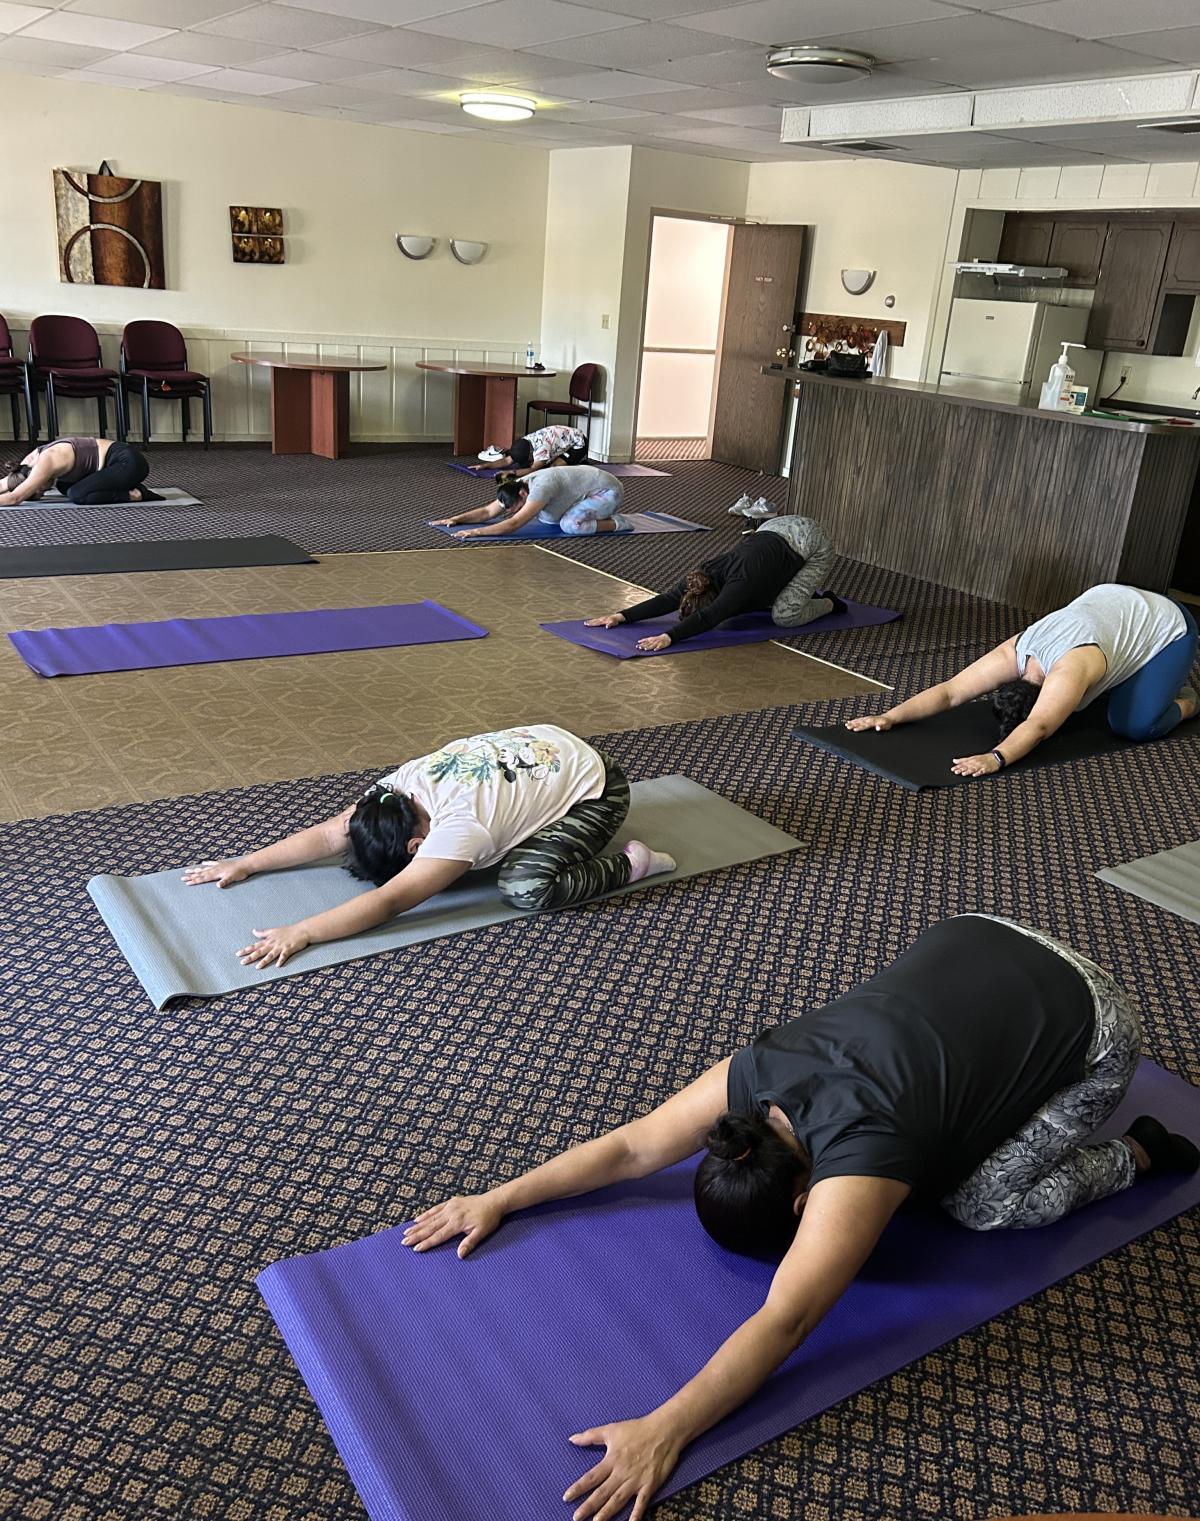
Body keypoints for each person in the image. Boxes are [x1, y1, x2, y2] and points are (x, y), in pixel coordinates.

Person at [403, 914, 1197, 1521]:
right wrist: (499, 1196)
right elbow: (630, 1149)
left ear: (802, 1201)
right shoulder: (750, 1083)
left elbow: (786, 1317)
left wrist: (666, 1427)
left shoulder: (863, 1157)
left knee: (981, 1204)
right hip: (980, 933)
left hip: (1095, 1021)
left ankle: (1140, 1154)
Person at [182, 724, 674, 969]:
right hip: (550, 744)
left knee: (524, 887)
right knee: (487, 859)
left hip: (600, 787)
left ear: (418, 845)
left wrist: (302, 932)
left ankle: (633, 865)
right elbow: (334, 832)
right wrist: (247, 863)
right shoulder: (394, 791)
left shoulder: (459, 830)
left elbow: (391, 899)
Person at [845, 583, 1199, 778]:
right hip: (1112, 604)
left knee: (1133, 725)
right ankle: (1134, 676)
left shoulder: (1068, 670)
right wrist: (891, 716)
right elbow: (951, 692)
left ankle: (1187, 700)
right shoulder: (1017, 652)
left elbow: (1040, 725)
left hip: (1167, 625)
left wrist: (995, 758)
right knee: (1104, 691)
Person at [585, 517, 840, 652]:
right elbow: (669, 598)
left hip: (813, 542)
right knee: (755, 600)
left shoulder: (740, 584)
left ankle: (829, 602)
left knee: (785, 614)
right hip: (774, 527)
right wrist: (622, 616)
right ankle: (782, 588)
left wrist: (669, 636)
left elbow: (710, 617)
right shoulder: (704, 575)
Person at [431, 464, 628, 539]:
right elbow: (488, 512)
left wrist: (476, 532)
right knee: (548, 518)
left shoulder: (540, 489)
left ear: (523, 496)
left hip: (607, 490)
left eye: (516, 508)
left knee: (570, 525)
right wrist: (457, 519)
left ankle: (617, 523)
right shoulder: (516, 486)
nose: (512, 512)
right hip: (586, 483)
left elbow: (514, 524)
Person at [0, 436, 152, 507]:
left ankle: (136, 494)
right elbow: (5, 484)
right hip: (112, 465)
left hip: (129, 462)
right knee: (64, 486)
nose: (45, 492)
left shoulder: (46, 462)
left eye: (40, 491)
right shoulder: (25, 465)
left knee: (77, 494)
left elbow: (14, 498)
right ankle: (121, 483)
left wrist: (24, 492)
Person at [468, 424, 587, 476]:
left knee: (552, 469)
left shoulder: (541, 450)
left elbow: (533, 470)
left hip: (578, 444)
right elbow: (507, 461)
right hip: (561, 439)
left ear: (531, 453)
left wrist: (511, 473)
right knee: (533, 465)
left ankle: (577, 465)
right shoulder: (526, 440)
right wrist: (485, 466)